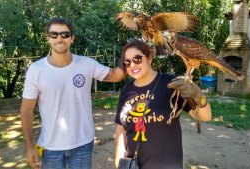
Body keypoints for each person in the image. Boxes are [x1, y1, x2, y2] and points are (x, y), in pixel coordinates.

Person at [20, 17, 124, 169]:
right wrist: (29, 148)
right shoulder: (36, 70)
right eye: (54, 34)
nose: (59, 39)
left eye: (65, 34)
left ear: (72, 38)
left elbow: (116, 76)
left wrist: (131, 54)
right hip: (50, 147)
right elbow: (26, 110)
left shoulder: (86, 64)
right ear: (48, 38)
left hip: (83, 144)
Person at [114, 40, 212, 169]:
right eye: (127, 62)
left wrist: (200, 97)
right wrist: (119, 162)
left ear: (149, 58)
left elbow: (205, 116)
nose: (132, 65)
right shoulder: (127, 90)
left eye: (137, 59)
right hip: (134, 165)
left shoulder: (171, 83)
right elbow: (121, 129)